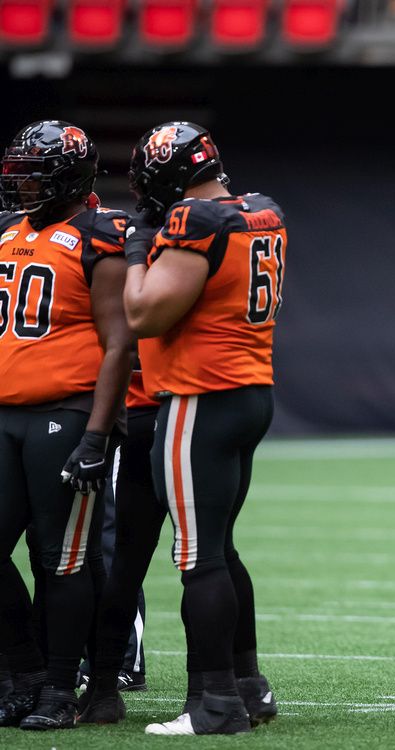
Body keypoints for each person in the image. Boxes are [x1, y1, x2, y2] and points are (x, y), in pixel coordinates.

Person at [122, 121, 285, 736]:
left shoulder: (195, 220)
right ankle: (248, 685)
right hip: (250, 392)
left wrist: (140, 250)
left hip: (201, 396)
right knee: (221, 547)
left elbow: (143, 312)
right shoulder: (261, 211)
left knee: (197, 557)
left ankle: (213, 705)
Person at [0, 121, 131, 730]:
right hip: (5, 413)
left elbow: (117, 343)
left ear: (71, 177)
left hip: (65, 410)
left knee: (62, 559)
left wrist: (98, 434)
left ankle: (58, 685)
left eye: (34, 171)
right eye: (17, 169)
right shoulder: (7, 230)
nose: (22, 182)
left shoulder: (98, 234)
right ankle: (22, 668)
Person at [76, 361, 161, 725]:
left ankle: (127, 662)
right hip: (92, 411)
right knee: (85, 546)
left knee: (116, 544)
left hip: (133, 414)